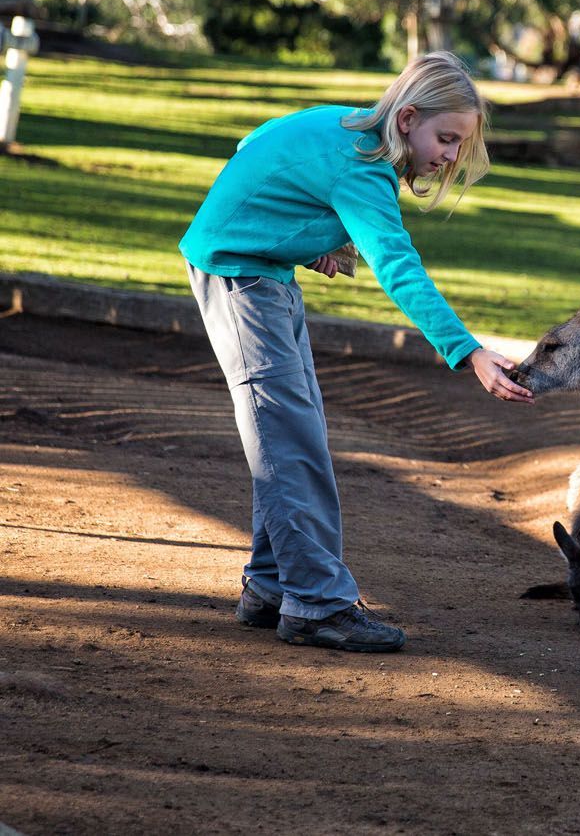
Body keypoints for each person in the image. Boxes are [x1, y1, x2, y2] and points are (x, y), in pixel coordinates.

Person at [180, 52, 533, 654]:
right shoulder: (363, 170)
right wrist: (468, 351)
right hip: (239, 279)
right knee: (290, 439)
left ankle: (270, 587)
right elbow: (398, 267)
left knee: (296, 429)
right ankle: (317, 604)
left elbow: (255, 144)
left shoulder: (347, 126)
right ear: (407, 118)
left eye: (457, 145)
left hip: (265, 273)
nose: (449, 155)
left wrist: (297, 229)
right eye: (445, 139)